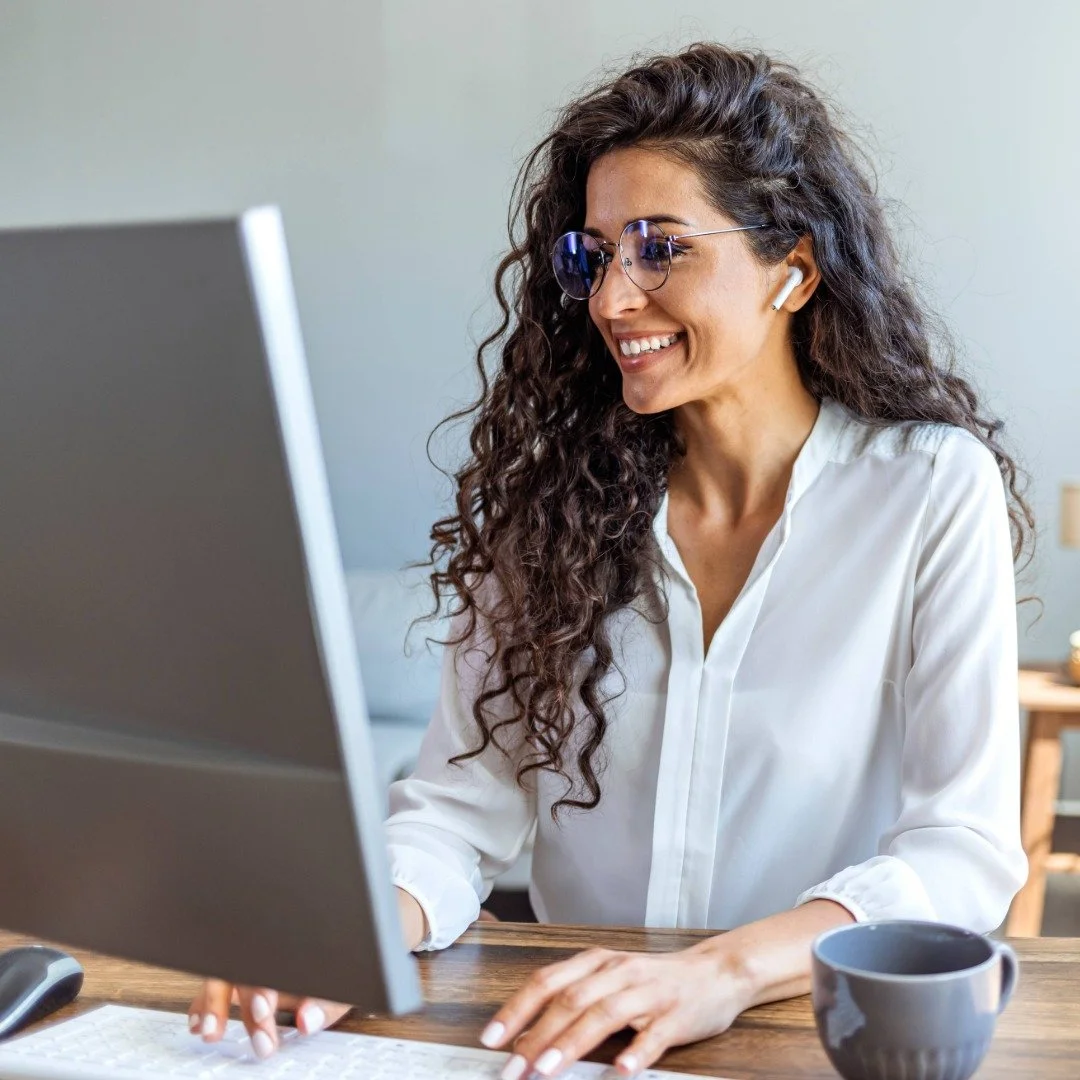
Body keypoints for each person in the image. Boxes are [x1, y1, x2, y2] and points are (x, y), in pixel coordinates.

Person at [188, 42, 1031, 1078]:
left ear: (795, 270)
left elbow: (963, 848)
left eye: (660, 248)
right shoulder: (555, 509)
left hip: (807, 1036)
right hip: (569, 1041)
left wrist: (717, 973)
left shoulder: (927, 490)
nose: (613, 300)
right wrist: (345, 934)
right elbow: (454, 813)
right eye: (594, 257)